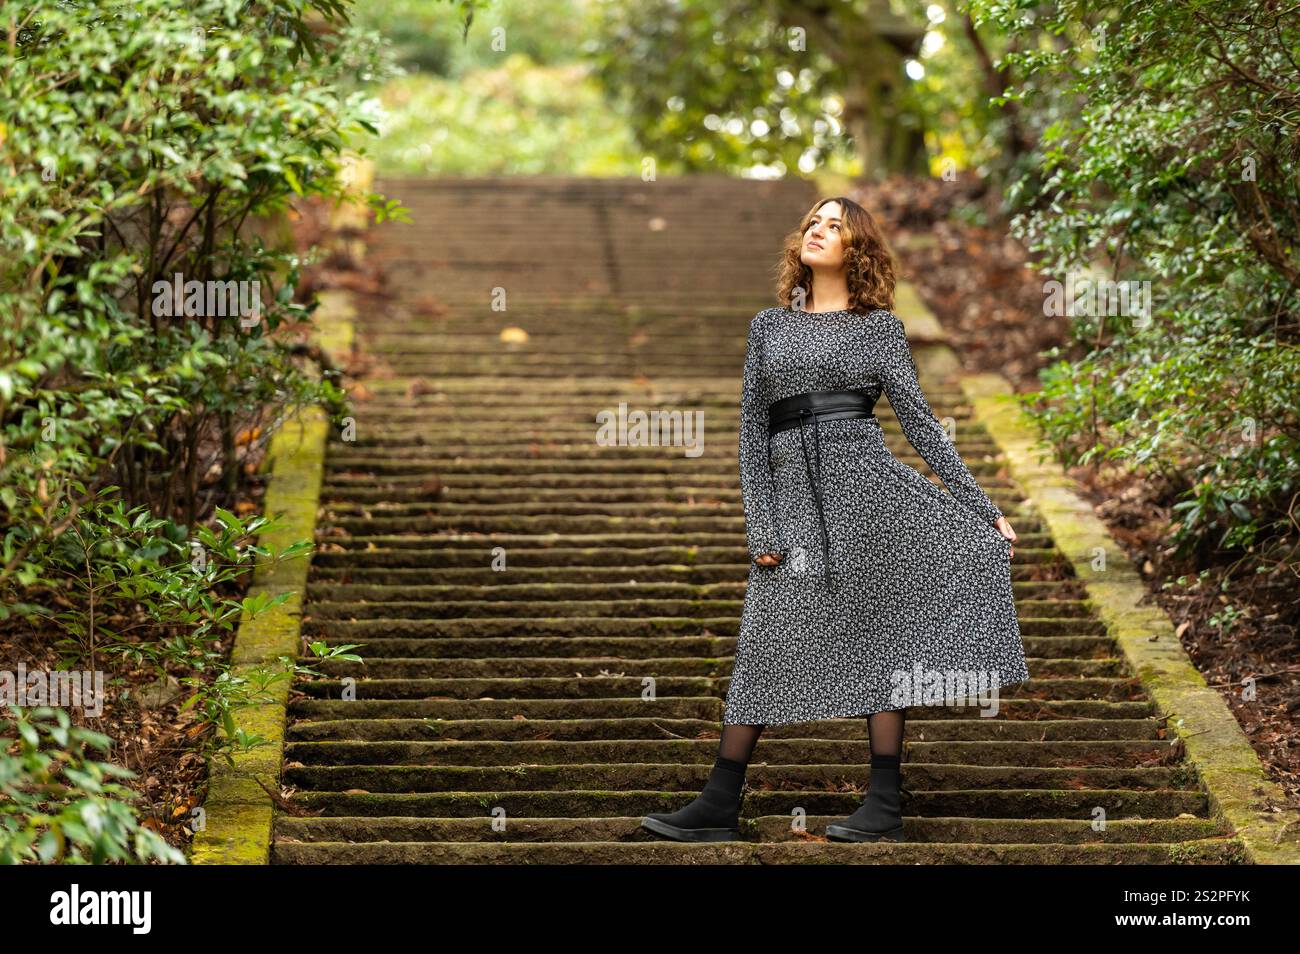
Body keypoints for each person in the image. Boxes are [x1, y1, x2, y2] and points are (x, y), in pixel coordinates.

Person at [641, 197, 1029, 844]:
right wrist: (762, 526)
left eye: (835, 226)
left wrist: (981, 507)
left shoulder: (880, 330)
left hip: (868, 491)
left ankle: (883, 806)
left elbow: (920, 426)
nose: (819, 232)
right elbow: (750, 430)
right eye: (813, 223)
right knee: (764, 639)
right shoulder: (768, 326)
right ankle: (719, 802)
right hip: (793, 495)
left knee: (884, 635)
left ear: (859, 250)